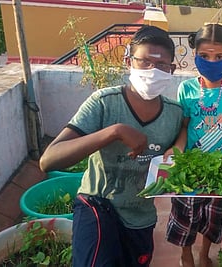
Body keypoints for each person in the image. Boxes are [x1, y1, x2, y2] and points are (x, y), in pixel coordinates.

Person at [39, 25, 183, 267]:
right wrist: (113, 132)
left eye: (161, 66)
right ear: (129, 61)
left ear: (172, 70)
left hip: (141, 216)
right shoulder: (104, 103)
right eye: (145, 62)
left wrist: (177, 152)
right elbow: (49, 160)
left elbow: (180, 148)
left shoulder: (175, 114)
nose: (152, 71)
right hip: (98, 206)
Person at [164, 23, 222, 267]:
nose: (211, 61)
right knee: (186, 216)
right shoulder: (187, 88)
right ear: (195, 56)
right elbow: (184, 126)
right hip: (190, 169)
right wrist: (178, 149)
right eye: (204, 56)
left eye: (219, 56)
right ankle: (186, 254)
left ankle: (204, 254)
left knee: (212, 218)